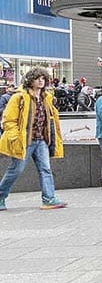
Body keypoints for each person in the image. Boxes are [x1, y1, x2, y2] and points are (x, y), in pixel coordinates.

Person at [0, 67, 67, 211]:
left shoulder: (46, 97)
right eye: (38, 78)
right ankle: (0, 196)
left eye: (43, 78)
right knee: (16, 170)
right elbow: (8, 120)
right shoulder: (19, 97)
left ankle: (49, 199)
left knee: (45, 169)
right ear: (31, 80)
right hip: (25, 140)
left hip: (41, 140)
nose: (41, 81)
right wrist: (15, 137)